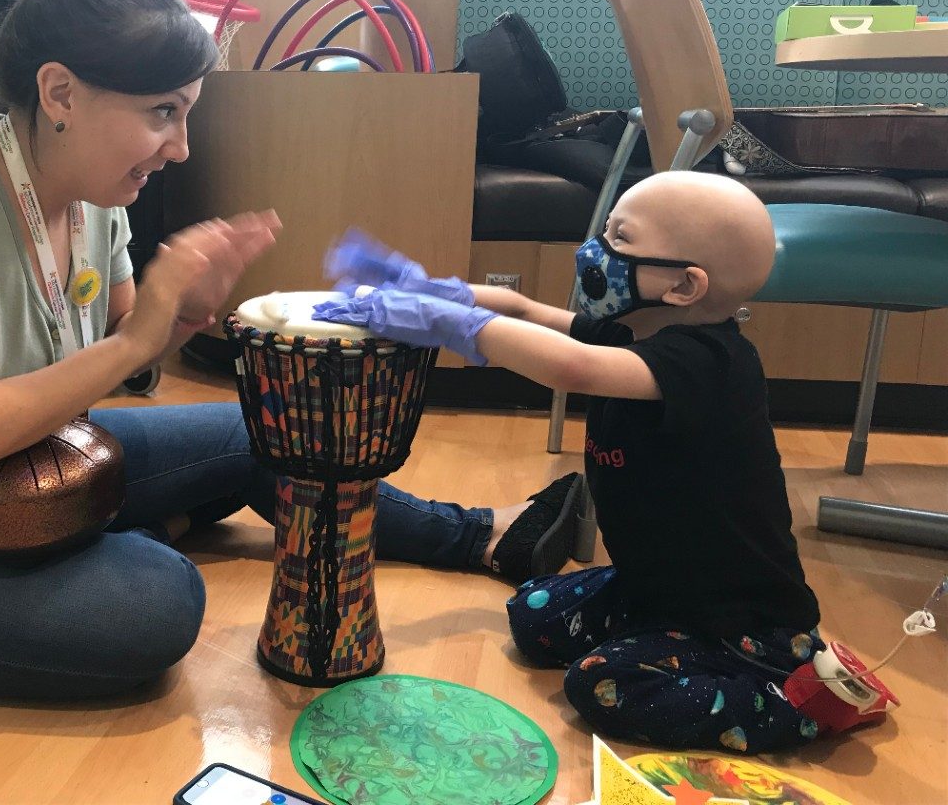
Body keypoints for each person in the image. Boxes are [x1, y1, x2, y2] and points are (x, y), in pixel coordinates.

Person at [0, 0, 572, 702]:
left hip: (30, 469)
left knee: (268, 430)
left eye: (187, 113)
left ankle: (482, 538)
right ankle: (125, 534)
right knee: (155, 602)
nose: (180, 147)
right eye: (161, 113)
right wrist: (147, 336)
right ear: (60, 92)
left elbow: (125, 361)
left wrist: (184, 319)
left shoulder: (96, 195)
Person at [315, 171, 859, 754]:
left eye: (619, 239)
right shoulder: (633, 328)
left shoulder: (709, 362)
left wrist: (456, 327)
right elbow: (526, 309)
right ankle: (653, 628)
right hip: (655, 586)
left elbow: (572, 367)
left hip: (740, 623)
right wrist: (436, 291)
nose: (593, 250)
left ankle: (799, 702)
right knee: (533, 617)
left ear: (683, 286)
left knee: (599, 685)